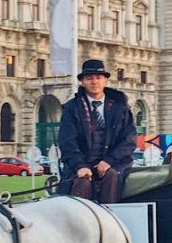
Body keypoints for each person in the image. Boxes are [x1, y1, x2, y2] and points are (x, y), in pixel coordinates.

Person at [57, 59, 137, 203]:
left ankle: (110, 213)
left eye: (98, 77)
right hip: (82, 164)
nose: (94, 82)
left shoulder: (120, 108)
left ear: (105, 80)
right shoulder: (71, 109)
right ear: (82, 82)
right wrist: (80, 166)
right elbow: (67, 142)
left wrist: (108, 161)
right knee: (82, 182)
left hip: (114, 164)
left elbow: (128, 141)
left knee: (111, 176)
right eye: (89, 78)